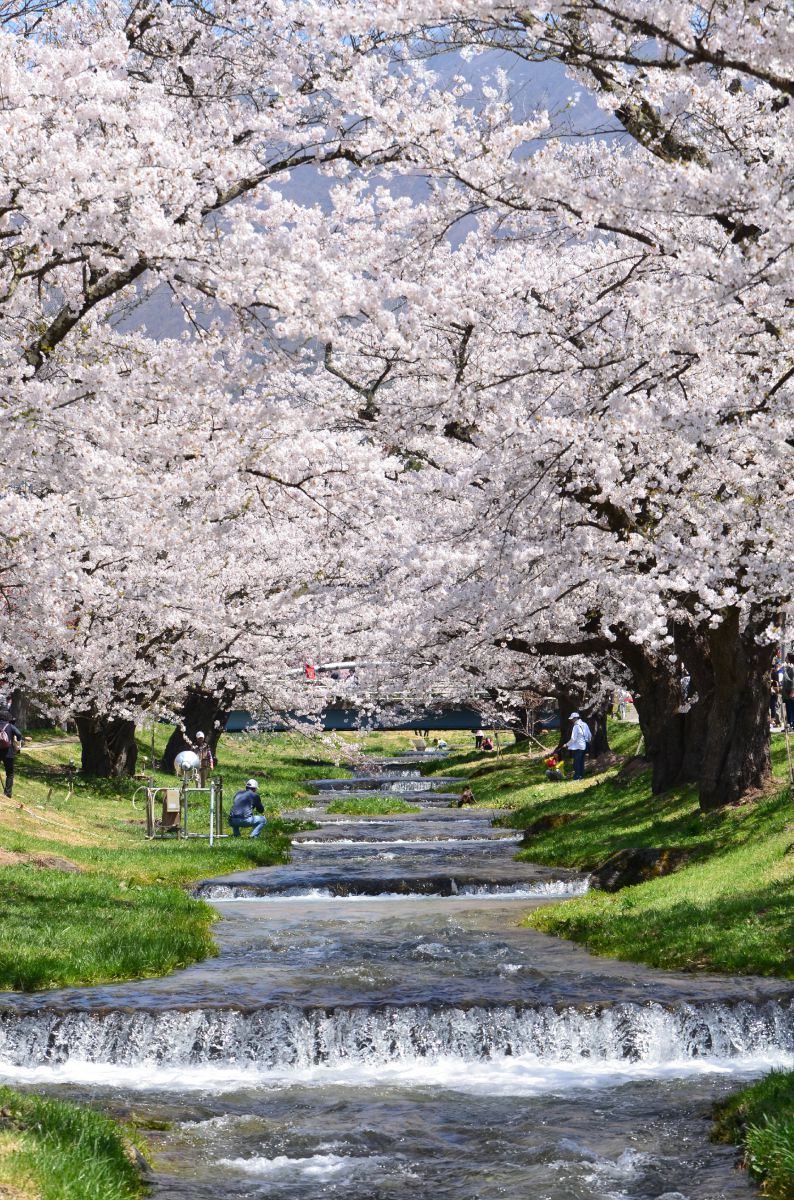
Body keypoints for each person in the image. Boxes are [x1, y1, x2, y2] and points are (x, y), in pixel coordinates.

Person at [0, 710, 23, 799]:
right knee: (9, 773)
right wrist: (17, 743)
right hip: (8, 752)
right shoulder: (10, 726)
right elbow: (19, 734)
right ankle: (7, 793)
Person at [566, 712, 592, 780]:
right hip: (585, 746)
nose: (571, 720)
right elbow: (590, 735)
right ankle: (581, 776)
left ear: (575, 718)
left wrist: (566, 745)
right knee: (581, 762)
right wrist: (587, 741)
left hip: (578, 747)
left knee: (576, 763)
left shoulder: (576, 726)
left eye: (572, 719)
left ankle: (577, 777)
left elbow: (573, 739)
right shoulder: (585, 724)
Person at [782, 653, 794, 731]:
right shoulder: (788, 667)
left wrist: (793, 691)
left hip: (790, 692)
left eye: (787, 657)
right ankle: (789, 725)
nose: (785, 658)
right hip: (786, 692)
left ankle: (792, 724)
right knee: (788, 709)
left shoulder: (793, 668)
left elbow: (793, 680)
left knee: (791, 709)